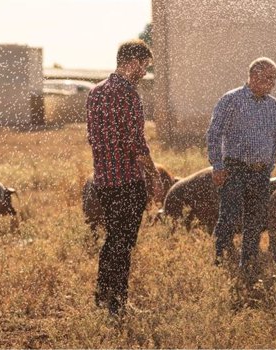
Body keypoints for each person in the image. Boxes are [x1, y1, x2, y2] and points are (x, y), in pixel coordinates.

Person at [86, 39, 163, 316]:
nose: (144, 72)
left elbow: (92, 138)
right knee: (124, 243)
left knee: (112, 240)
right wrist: (154, 176)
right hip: (128, 180)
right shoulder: (128, 94)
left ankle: (102, 296)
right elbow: (136, 143)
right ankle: (118, 303)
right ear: (132, 62)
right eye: (144, 66)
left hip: (104, 181)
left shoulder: (95, 93)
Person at [205, 57, 276, 279]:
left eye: (274, 78)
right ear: (253, 76)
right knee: (229, 217)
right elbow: (214, 133)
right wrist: (217, 165)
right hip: (234, 169)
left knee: (255, 220)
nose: (272, 82)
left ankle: (248, 264)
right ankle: (220, 261)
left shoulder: (274, 106)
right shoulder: (231, 100)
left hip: (261, 172)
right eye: (268, 77)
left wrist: (270, 165)